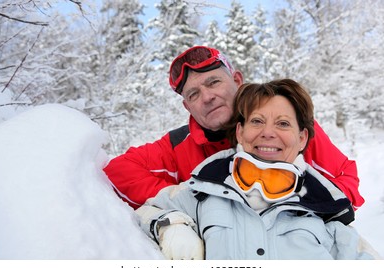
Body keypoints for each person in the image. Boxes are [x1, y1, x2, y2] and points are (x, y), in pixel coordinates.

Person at [135, 80, 378, 260]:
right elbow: (148, 211)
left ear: (302, 138)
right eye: (257, 121)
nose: (268, 133)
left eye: (283, 123)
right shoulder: (202, 192)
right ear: (240, 132)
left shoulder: (325, 208)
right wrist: (172, 227)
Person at [103, 46, 364, 210]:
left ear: (237, 80)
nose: (207, 97)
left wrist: (297, 205)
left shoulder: (286, 127)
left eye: (214, 82)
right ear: (187, 107)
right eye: (194, 94)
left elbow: (346, 179)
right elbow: (118, 171)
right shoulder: (177, 146)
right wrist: (187, 199)